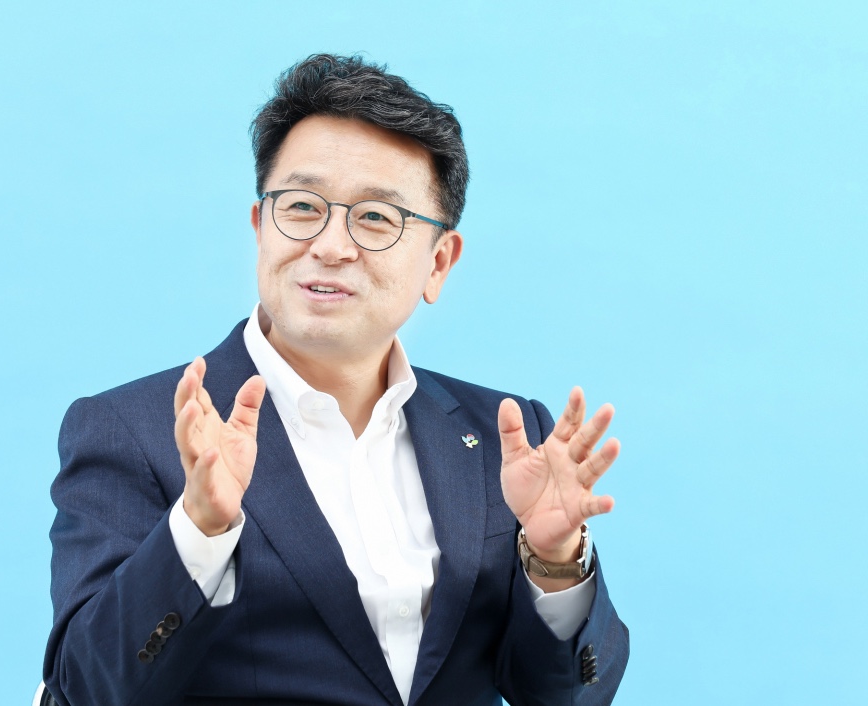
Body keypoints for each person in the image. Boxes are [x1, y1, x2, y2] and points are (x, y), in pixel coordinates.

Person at [43, 54, 629, 706]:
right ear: (260, 228)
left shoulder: (505, 436)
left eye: (376, 217)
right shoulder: (137, 431)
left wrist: (555, 560)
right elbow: (84, 689)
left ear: (439, 262)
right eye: (301, 207)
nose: (330, 245)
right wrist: (198, 532)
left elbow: (569, 696)